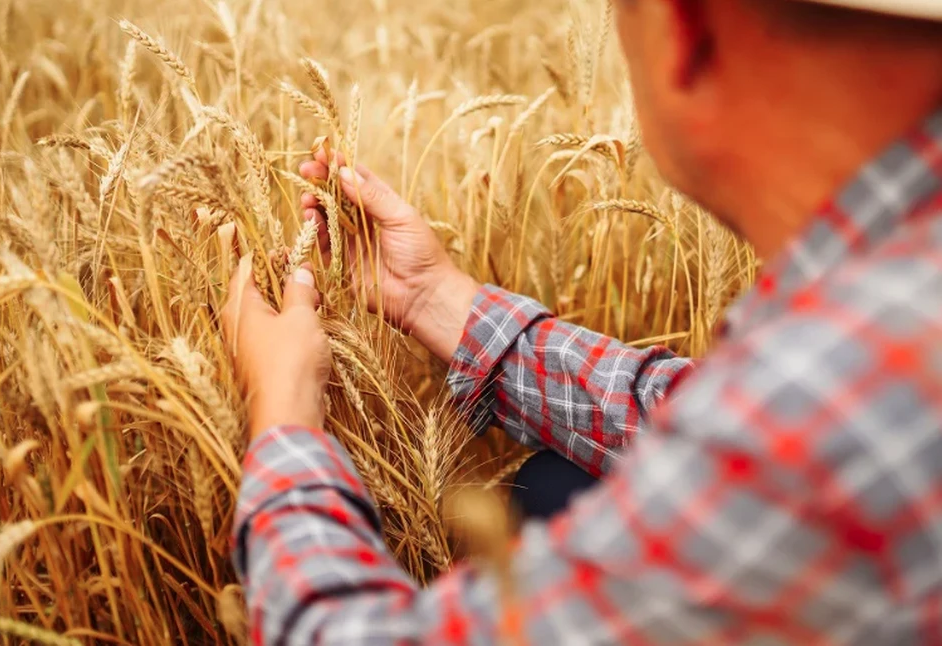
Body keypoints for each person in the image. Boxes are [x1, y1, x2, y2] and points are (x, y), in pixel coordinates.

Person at [222, 0, 942, 642]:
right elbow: (690, 409)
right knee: (554, 487)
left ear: (683, 29)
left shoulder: (837, 392)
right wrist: (434, 299)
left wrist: (282, 413)